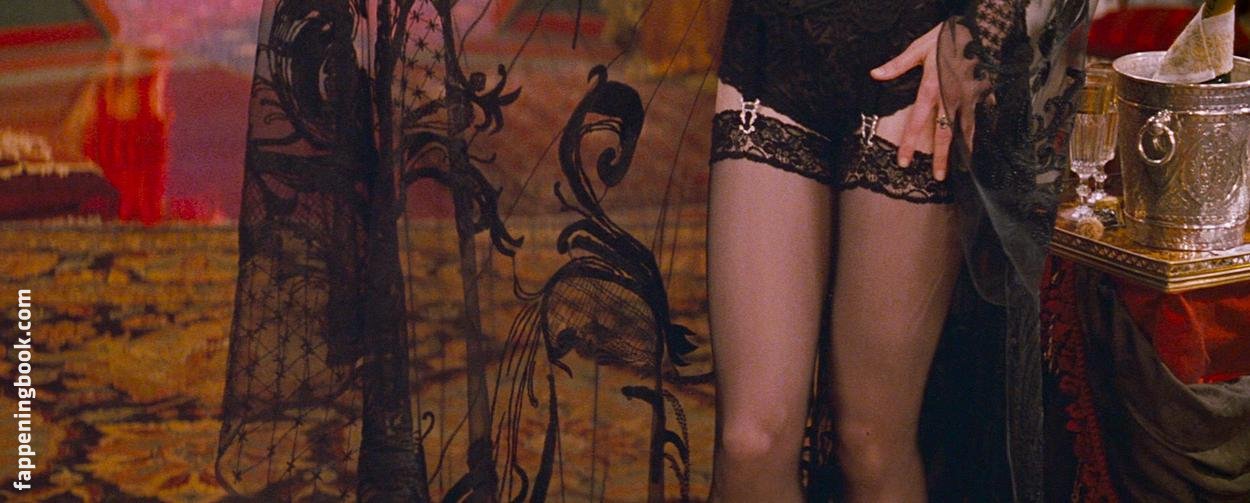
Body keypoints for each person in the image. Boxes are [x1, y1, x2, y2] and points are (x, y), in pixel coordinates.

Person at [706, 1, 1095, 501]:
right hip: (771, 42)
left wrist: (983, 28)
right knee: (749, 446)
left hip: (921, 52)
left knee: (870, 443)